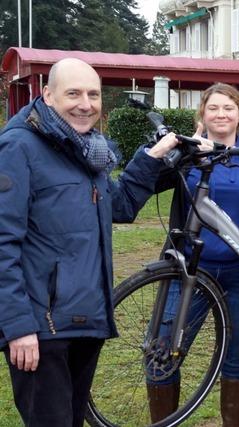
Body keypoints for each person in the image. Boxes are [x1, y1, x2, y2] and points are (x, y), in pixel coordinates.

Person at [0, 58, 179, 427]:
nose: (86, 104)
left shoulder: (86, 149)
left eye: (94, 94)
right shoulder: (18, 148)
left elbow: (120, 204)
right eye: (74, 93)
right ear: (48, 96)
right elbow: (3, 243)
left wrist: (152, 158)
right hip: (41, 327)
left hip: (85, 320)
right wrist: (17, 327)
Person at [147, 83, 239, 427]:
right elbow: (149, 179)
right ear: (203, 115)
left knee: (238, 357)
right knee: (161, 351)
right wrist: (177, 147)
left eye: (228, 108)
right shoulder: (188, 155)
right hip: (189, 272)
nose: (221, 114)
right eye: (213, 108)